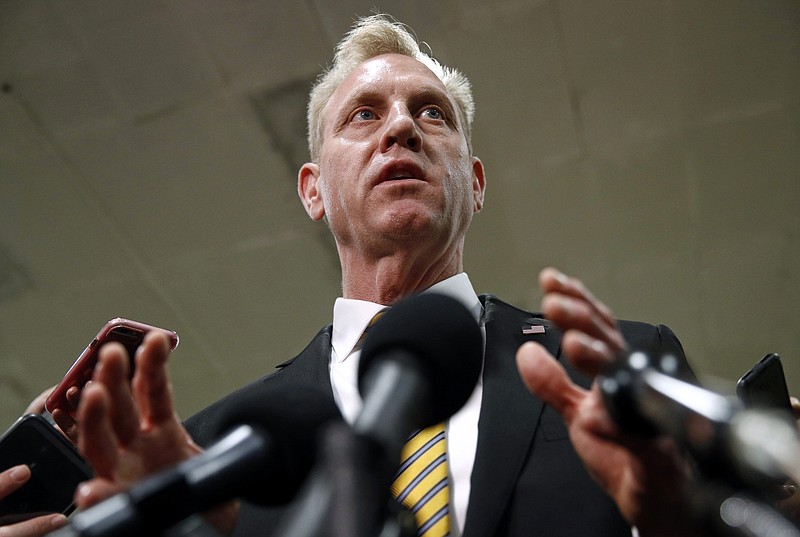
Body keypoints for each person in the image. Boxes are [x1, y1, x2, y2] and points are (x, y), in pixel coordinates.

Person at [66, 13, 705, 537]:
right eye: (364, 115)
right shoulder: (214, 449)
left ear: (475, 184)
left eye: (431, 113)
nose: (401, 126)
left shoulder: (620, 368)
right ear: (312, 192)